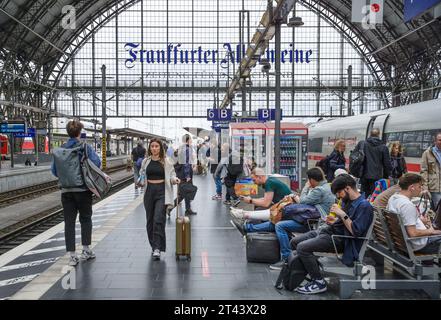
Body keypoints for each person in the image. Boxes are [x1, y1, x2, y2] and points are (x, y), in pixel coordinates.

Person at [230, 168, 335, 270]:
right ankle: (247, 227)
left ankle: (286, 258)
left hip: (312, 221)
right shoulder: (325, 187)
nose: (308, 182)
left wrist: (306, 187)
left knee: (280, 224)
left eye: (308, 180)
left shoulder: (319, 190)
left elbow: (303, 201)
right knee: (277, 221)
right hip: (309, 217)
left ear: (312, 179)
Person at [290, 174, 374, 294]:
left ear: (347, 188)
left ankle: (318, 282)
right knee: (294, 242)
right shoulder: (347, 200)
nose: (338, 196)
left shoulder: (364, 206)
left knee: (302, 248)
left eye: (339, 192)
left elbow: (356, 231)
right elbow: (344, 223)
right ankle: (311, 270)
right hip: (330, 232)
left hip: (340, 240)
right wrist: (334, 220)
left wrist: (342, 214)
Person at [51, 120, 101, 266]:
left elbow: (54, 171)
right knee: (85, 219)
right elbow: (96, 163)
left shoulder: (60, 150)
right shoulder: (84, 147)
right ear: (80, 132)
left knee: (69, 223)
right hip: (83, 190)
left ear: (68, 132)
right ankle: (86, 250)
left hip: (66, 191)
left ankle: (72, 255)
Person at [140, 138, 180, 260]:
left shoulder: (166, 161)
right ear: (149, 148)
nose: (154, 148)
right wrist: (139, 181)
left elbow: (172, 174)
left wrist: (174, 179)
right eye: (152, 146)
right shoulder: (146, 161)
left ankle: (157, 248)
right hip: (149, 192)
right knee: (150, 221)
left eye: (156, 146)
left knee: (158, 219)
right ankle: (154, 246)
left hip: (162, 191)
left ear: (160, 148)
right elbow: (142, 173)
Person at [387, 173, 441, 254]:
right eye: (419, 186)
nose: (421, 189)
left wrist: (420, 222)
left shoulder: (393, 198)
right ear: (412, 187)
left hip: (401, 243)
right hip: (421, 244)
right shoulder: (407, 205)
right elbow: (413, 233)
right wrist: (431, 231)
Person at [353, 128, 392, 198]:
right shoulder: (383, 147)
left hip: (364, 175)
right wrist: (387, 176)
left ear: (370, 135)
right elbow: (387, 164)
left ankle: (364, 208)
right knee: (375, 196)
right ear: (379, 135)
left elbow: (355, 157)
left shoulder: (363, 144)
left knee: (364, 195)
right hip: (377, 177)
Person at [173, 134, 197, 215]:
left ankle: (188, 208)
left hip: (180, 173)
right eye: (190, 139)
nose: (191, 141)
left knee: (186, 191)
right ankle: (169, 207)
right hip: (185, 174)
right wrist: (187, 176)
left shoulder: (180, 148)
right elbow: (186, 163)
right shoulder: (187, 149)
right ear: (187, 140)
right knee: (184, 192)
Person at [421, 132, 441, 211]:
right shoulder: (427, 153)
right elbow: (424, 171)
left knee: (435, 210)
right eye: (440, 140)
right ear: (435, 141)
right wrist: (425, 187)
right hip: (434, 188)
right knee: (438, 210)